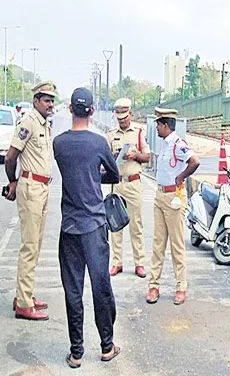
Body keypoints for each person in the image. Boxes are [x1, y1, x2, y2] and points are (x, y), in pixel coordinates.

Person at [53, 87, 121, 368]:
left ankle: (76, 352)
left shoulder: (59, 143)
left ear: (70, 109)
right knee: (100, 286)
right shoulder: (100, 143)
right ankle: (107, 347)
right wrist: (97, 173)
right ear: (92, 112)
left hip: (69, 227)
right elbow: (114, 175)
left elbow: (72, 171)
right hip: (94, 226)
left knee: (73, 290)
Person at [3, 81, 57, 321]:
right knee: (29, 246)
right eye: (46, 100)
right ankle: (24, 304)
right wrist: (12, 182)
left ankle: (24, 294)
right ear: (36, 101)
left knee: (35, 244)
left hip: (42, 188)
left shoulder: (44, 124)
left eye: (52, 100)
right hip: (31, 187)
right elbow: (10, 157)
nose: (50, 104)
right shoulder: (28, 122)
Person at [146, 108, 199, 305]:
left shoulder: (178, 144)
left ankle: (181, 287)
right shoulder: (165, 145)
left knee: (177, 245)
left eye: (158, 125)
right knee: (158, 243)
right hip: (160, 195)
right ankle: (154, 286)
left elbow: (195, 161)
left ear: (165, 125)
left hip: (173, 197)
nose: (157, 129)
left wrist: (181, 177)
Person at [106, 98, 151, 278]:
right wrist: (113, 156)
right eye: (119, 118)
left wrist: (135, 155)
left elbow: (148, 156)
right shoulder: (110, 135)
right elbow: (105, 159)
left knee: (136, 225)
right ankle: (117, 262)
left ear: (130, 114)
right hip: (117, 183)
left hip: (133, 183)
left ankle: (139, 262)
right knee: (115, 225)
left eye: (124, 117)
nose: (122, 121)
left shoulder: (139, 133)